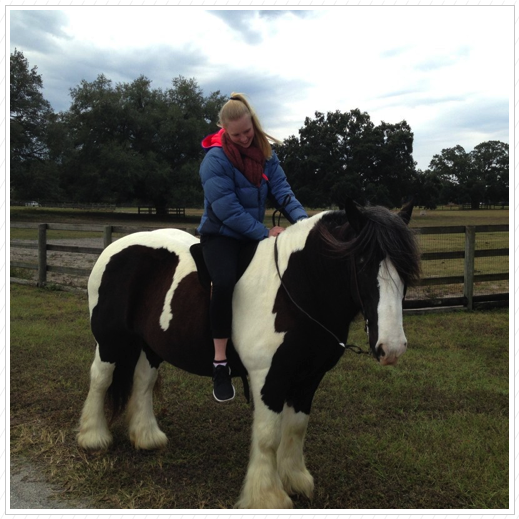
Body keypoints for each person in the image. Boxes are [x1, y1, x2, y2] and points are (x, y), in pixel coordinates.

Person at [198, 93, 308, 402]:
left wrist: (303, 225)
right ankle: (220, 361)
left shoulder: (266, 154)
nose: (244, 138)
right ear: (223, 130)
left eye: (248, 131)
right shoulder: (215, 160)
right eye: (236, 134)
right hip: (221, 235)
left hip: (253, 235)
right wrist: (263, 232)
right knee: (223, 282)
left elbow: (283, 192)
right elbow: (228, 211)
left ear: (253, 123)